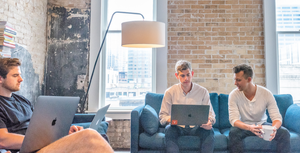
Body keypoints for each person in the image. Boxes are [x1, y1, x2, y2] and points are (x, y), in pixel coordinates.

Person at [0, 58, 114, 153]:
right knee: (90, 136)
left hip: (42, 145)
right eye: (15, 76)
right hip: (30, 150)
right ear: (1, 78)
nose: (21, 79)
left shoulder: (22, 100)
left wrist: (64, 132)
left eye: (19, 75)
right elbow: (3, 140)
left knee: (99, 137)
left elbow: (40, 127)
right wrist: (41, 140)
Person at [228, 64, 290, 153]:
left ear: (249, 79)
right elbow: (233, 120)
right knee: (233, 132)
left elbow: (277, 118)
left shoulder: (266, 93)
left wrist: (273, 129)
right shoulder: (234, 95)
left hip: (262, 125)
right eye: (235, 80)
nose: (235, 83)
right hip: (244, 126)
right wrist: (249, 127)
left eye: (238, 80)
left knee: (284, 133)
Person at [159, 60, 215, 153]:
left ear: (192, 74)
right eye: (182, 75)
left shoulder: (202, 91)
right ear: (177, 76)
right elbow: (162, 117)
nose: (186, 78)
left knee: (210, 131)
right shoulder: (169, 92)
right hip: (177, 127)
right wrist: (172, 119)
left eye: (188, 75)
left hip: (197, 127)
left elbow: (211, 116)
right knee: (169, 130)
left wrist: (209, 122)